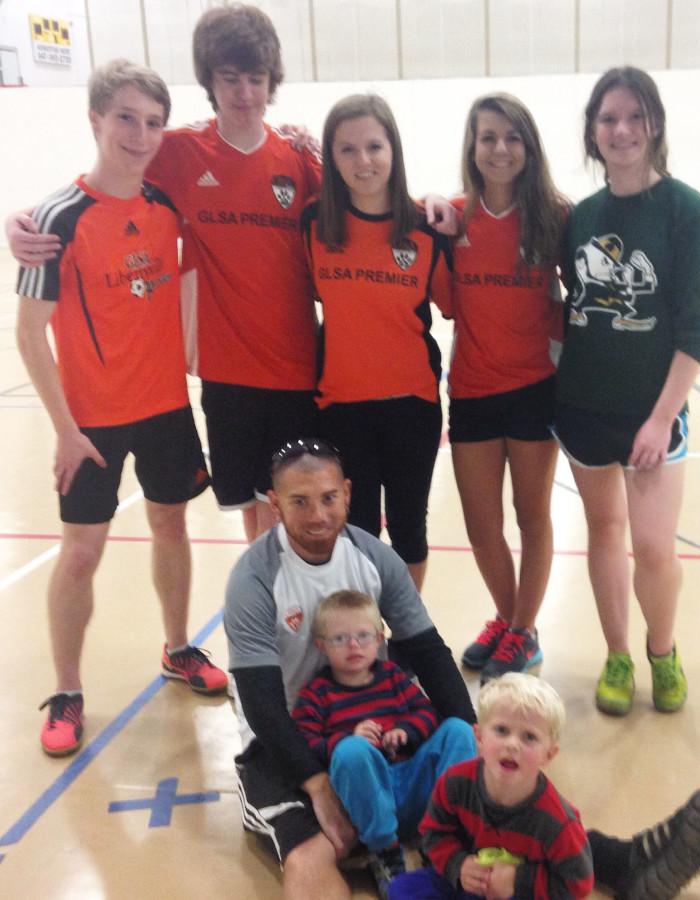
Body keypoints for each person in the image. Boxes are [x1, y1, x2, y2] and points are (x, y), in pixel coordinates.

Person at [223, 438, 700, 900]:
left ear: (348, 494)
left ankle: (625, 862)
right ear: (274, 503)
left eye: (328, 497)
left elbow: (428, 651)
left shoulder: (372, 557)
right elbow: (262, 703)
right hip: (290, 745)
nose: (317, 514)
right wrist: (316, 785)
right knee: (314, 850)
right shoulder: (255, 577)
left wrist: (473, 736)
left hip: (378, 729)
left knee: (496, 793)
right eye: (300, 502)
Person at [7, 4, 321, 543]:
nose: (243, 92)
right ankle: (268, 622)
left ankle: (296, 622)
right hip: (225, 375)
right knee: (254, 513)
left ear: (271, 83)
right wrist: (22, 220)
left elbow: (372, 207)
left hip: (298, 370)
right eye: (230, 78)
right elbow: (104, 180)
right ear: (209, 80)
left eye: (255, 79)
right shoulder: (177, 151)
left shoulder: (299, 160)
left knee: (297, 513)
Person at [14, 59, 227, 758]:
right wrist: (66, 431)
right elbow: (28, 330)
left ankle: (176, 648)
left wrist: (193, 350)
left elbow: (194, 271)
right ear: (96, 120)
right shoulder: (56, 218)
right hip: (92, 424)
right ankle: (68, 690)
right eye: (126, 118)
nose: (140, 135)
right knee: (80, 554)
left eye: (153, 122)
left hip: (166, 408)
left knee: (171, 527)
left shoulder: (168, 206)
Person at [552, 67, 700, 716]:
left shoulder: (688, 212)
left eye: (633, 117)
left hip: (651, 415)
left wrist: (660, 420)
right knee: (603, 531)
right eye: (607, 119)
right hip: (583, 408)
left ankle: (661, 649)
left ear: (653, 125)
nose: (620, 130)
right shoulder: (581, 218)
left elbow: (695, 329)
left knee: (652, 547)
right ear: (592, 134)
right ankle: (617, 654)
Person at [301, 94, 452, 591]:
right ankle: (363, 643)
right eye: (347, 150)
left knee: (409, 529)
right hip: (341, 406)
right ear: (331, 157)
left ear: (394, 150)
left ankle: (406, 637)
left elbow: (455, 305)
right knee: (356, 531)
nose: (363, 162)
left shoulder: (427, 228)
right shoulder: (313, 225)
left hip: (412, 403)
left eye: (374, 146)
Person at [449, 94, 566, 683]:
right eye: (488, 136)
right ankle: (509, 614)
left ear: (529, 146)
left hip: (533, 390)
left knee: (531, 515)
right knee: (480, 522)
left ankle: (522, 630)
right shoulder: (450, 216)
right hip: (471, 388)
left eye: (512, 137)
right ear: (472, 146)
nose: (500, 149)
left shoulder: (556, 216)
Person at [293, 590, 476, 897]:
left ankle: (443, 834)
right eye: (340, 639)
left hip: (414, 787)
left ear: (379, 639)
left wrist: (407, 731)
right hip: (368, 801)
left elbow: (426, 713)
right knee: (352, 752)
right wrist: (347, 740)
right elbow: (306, 741)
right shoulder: (317, 694)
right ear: (321, 646)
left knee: (457, 730)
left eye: (363, 636)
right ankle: (385, 852)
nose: (353, 645)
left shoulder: (392, 676)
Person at [389, 673, 594, 899]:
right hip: (465, 878)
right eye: (501, 730)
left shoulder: (558, 822)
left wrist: (518, 881)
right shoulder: (454, 782)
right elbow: (433, 833)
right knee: (401, 889)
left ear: (549, 754)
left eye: (529, 737)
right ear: (479, 736)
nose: (512, 744)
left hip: (516, 894)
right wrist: (458, 865)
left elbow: (578, 884)